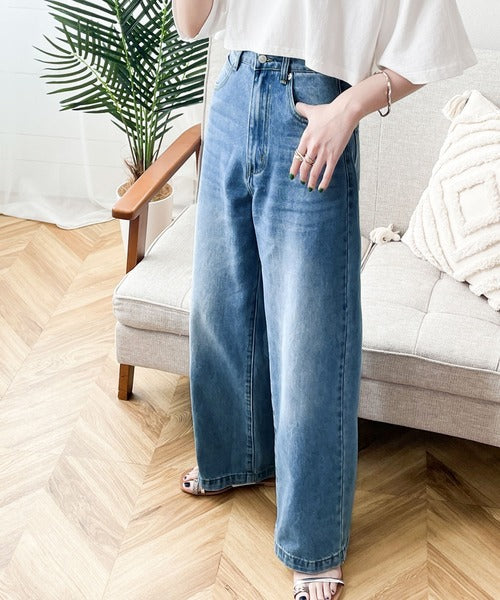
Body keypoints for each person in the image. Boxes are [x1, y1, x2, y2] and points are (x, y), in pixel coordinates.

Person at [172, 1, 477, 598]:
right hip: (233, 85)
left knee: (310, 334)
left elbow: (432, 40)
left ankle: (313, 540)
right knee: (222, 299)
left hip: (313, 107)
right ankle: (236, 457)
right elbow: (191, 23)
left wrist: (348, 107)